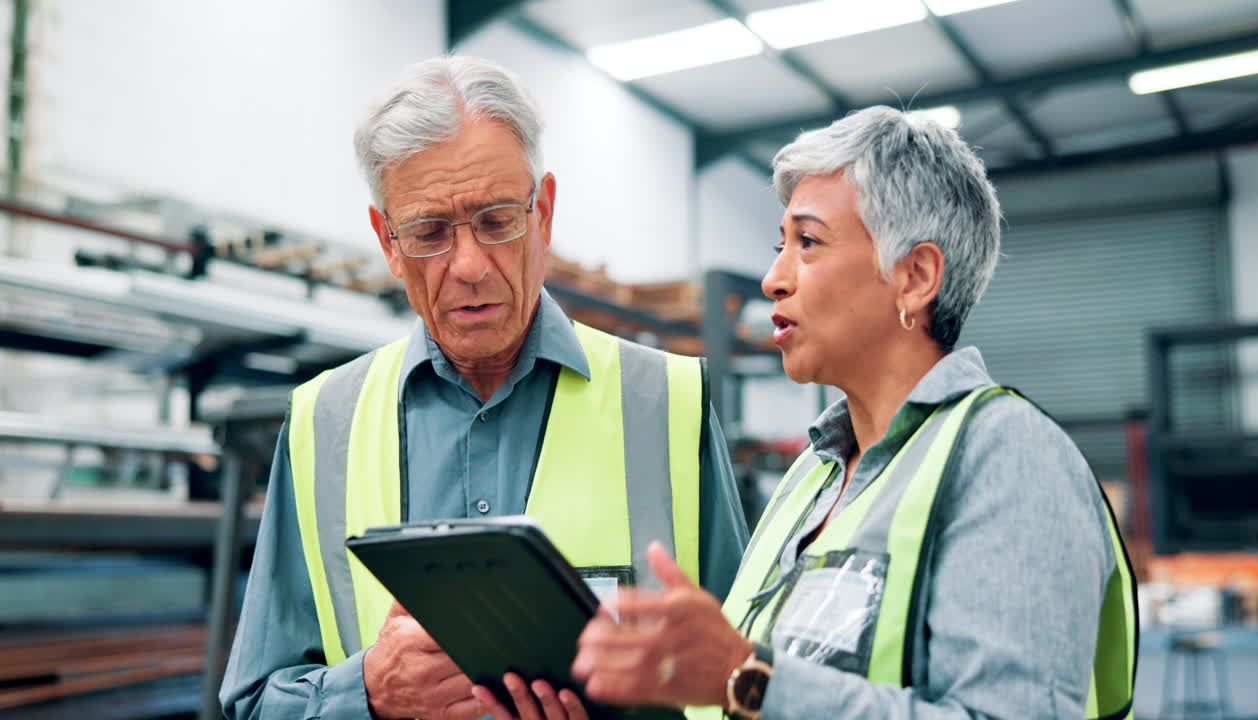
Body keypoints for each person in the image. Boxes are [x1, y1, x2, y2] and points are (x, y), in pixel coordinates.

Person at [478, 106, 1137, 720]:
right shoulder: (814, 478)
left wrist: (748, 678)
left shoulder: (1009, 458)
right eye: (780, 247)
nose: (774, 279)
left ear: (915, 277)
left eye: (809, 243)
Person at [219, 56, 749, 720]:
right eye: (429, 233)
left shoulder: (667, 404)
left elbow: (750, 685)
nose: (468, 266)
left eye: (497, 221)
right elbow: (253, 702)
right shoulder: (323, 423)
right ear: (387, 241)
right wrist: (368, 694)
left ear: (544, 211)